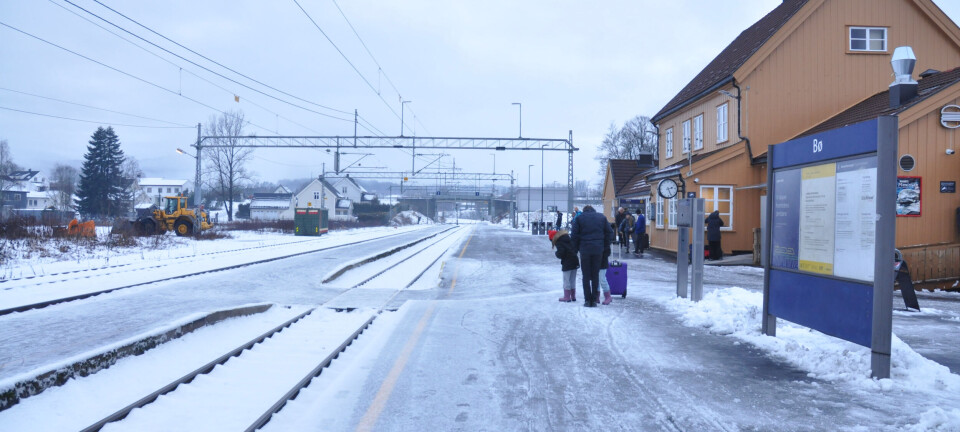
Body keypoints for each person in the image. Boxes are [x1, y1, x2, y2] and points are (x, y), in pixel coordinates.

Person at [571, 205, 614, 307]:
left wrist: (575, 250)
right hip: (598, 250)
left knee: (586, 276)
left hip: (584, 249)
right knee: (595, 275)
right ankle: (594, 300)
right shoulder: (602, 217)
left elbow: (574, 235)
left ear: (584, 211)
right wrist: (604, 245)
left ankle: (587, 300)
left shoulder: (579, 218)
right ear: (593, 210)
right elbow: (609, 232)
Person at [550, 229, 579, 302]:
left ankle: (567, 297)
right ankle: (573, 296)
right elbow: (575, 248)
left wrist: (557, 254)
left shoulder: (559, 242)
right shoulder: (568, 238)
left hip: (567, 263)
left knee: (566, 280)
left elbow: (561, 253)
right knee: (572, 280)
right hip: (575, 261)